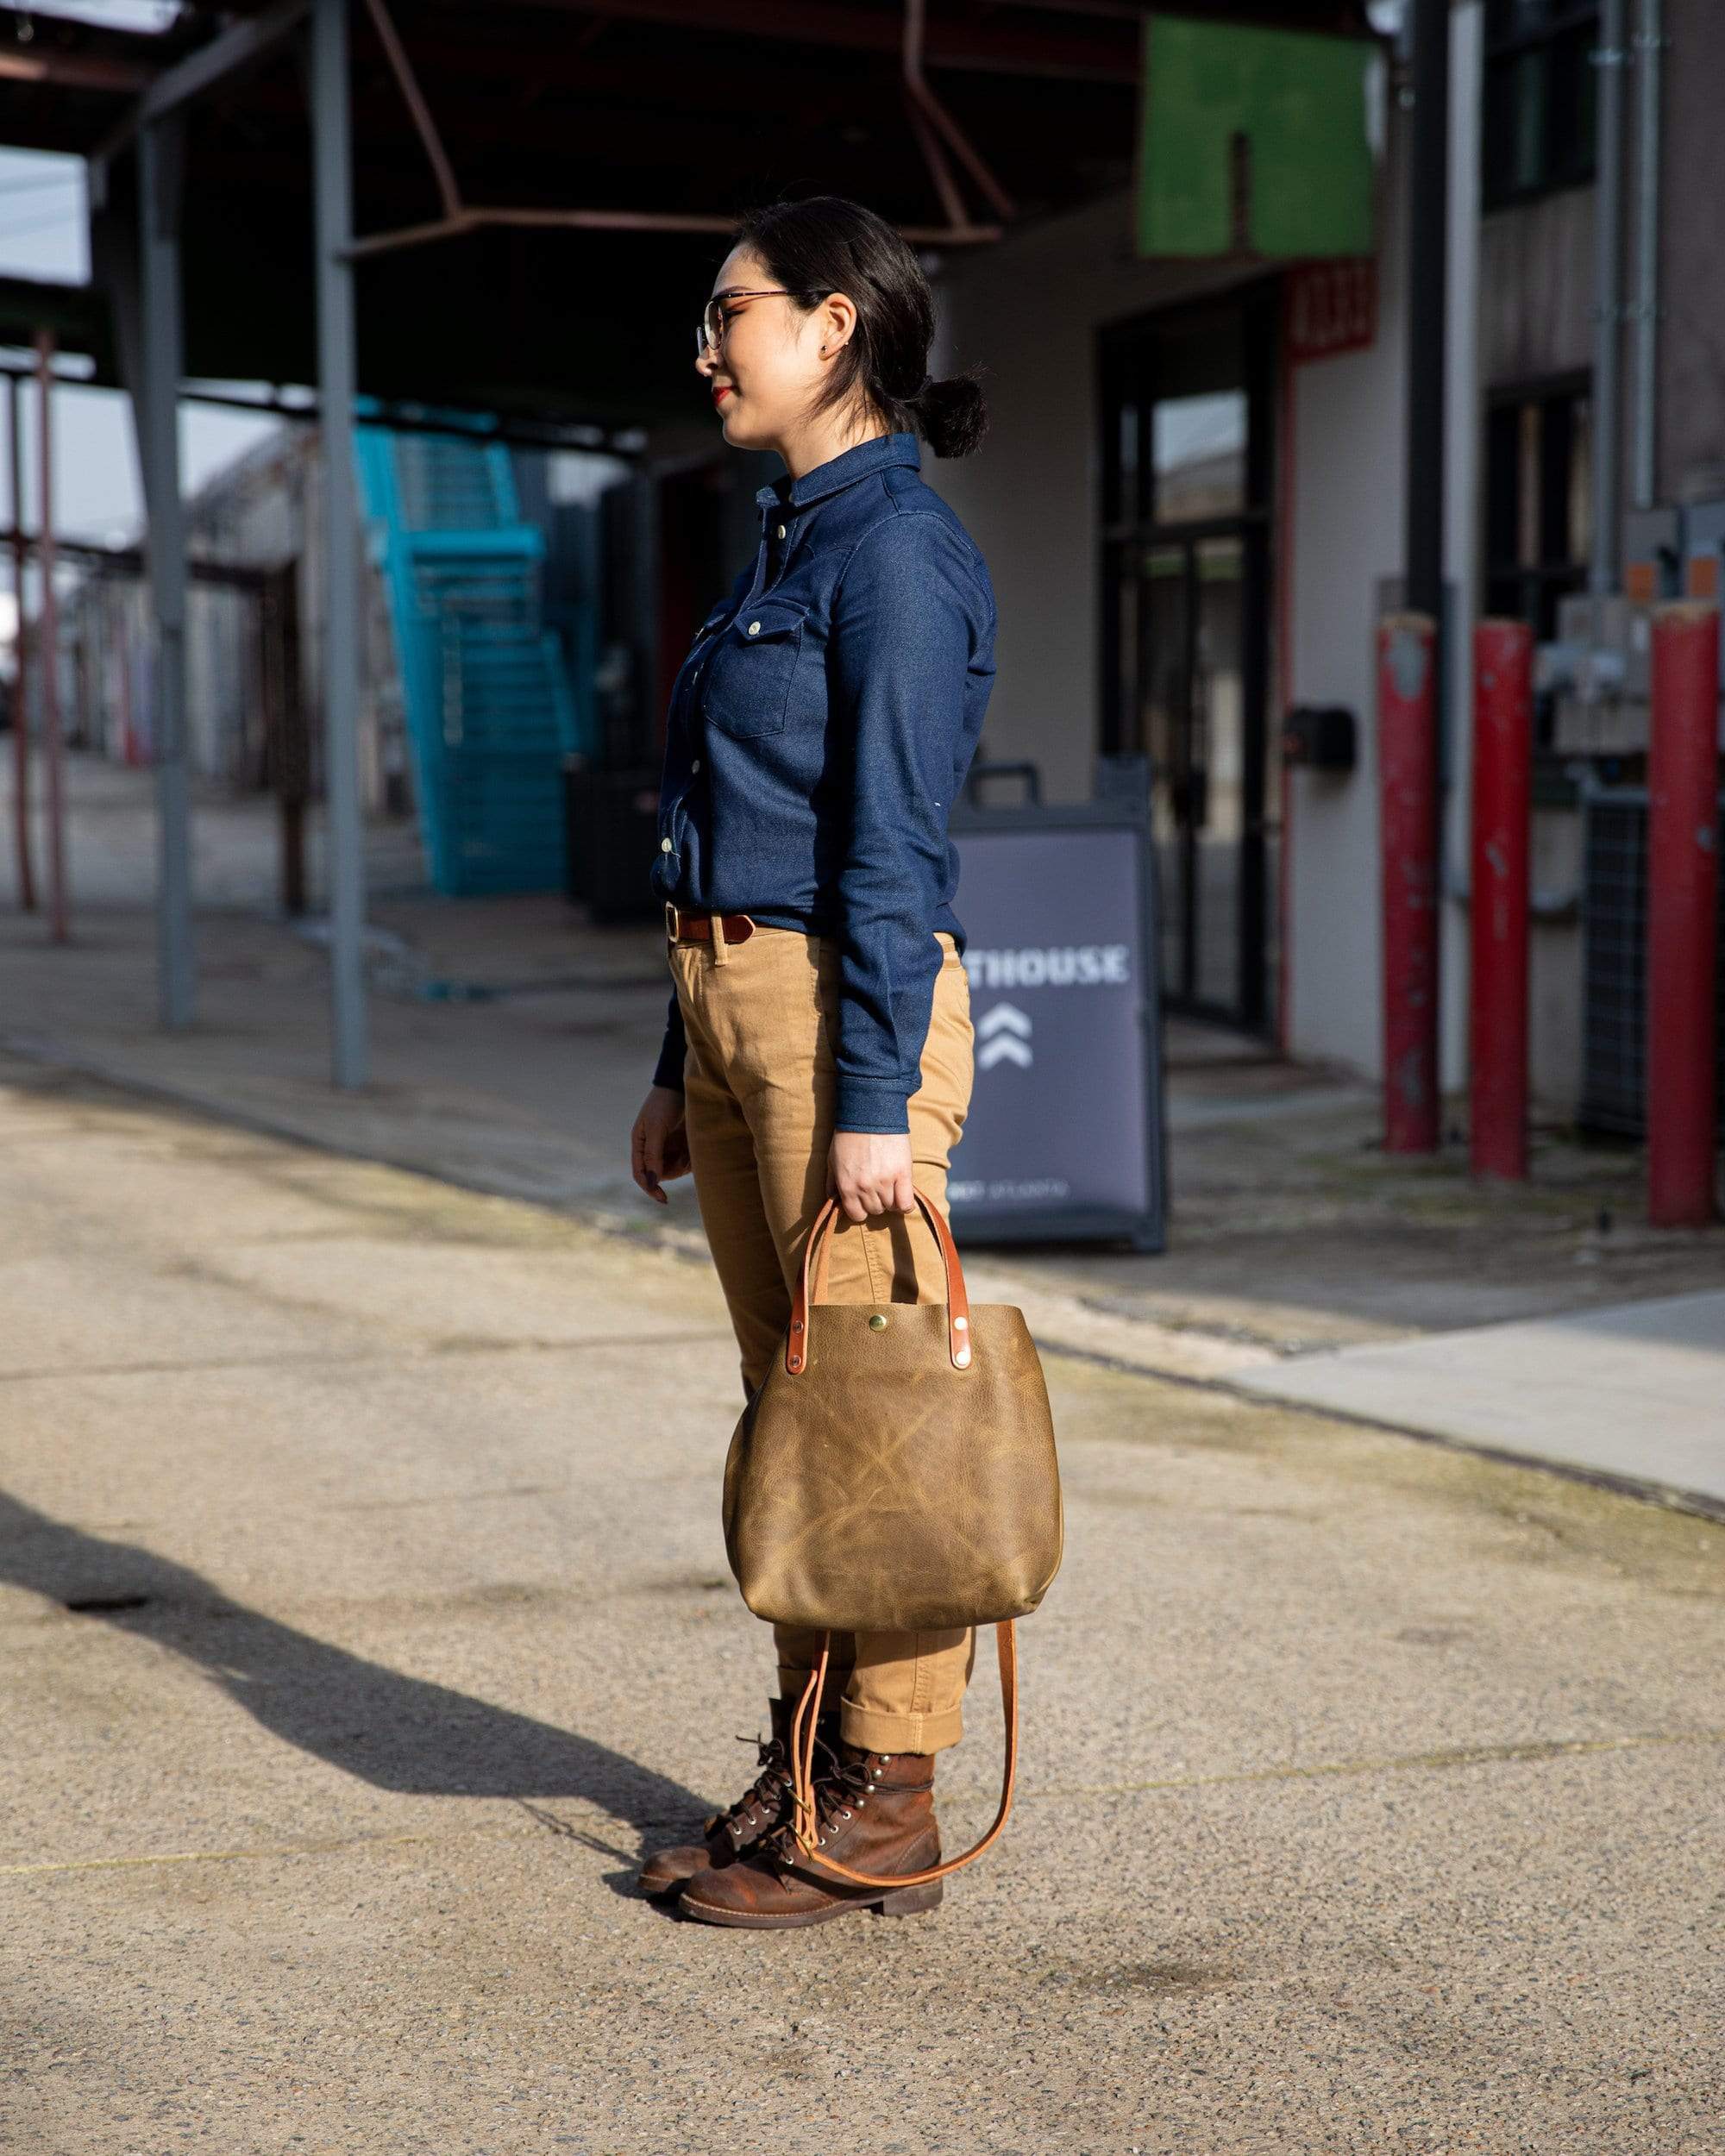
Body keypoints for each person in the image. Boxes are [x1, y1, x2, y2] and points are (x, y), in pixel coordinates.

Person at [628, 195, 995, 1931]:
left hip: (837, 1010)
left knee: (873, 1421)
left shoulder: (896, 559)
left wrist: (866, 1096)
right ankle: (808, 1755)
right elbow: (723, 820)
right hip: (729, 1010)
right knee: (796, 1422)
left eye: (732, 312)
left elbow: (893, 851)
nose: (705, 347)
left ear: (834, 323)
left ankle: (888, 1803)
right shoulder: (779, 544)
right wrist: (667, 1061)